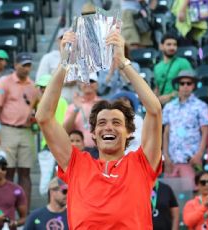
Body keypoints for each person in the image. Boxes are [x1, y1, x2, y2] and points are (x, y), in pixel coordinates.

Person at [36, 30, 162, 228]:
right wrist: (64, 64)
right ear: (92, 133)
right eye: (101, 123)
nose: (108, 127)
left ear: (130, 132)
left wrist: (123, 63)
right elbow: (43, 117)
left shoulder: (142, 163)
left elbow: (154, 110)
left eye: (117, 123)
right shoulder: (76, 163)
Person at [0, 52, 39, 209]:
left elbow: (38, 107)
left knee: (25, 172)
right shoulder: (5, 83)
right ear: (16, 65)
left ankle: (25, 213)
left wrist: (35, 119)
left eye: (29, 65)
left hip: (26, 131)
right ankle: (8, 210)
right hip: (7, 129)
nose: (26, 68)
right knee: (8, 171)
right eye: (23, 65)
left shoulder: (33, 86)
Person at [163, 70, 208, 184]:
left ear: (193, 85)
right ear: (178, 86)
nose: (185, 86)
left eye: (189, 83)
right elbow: (166, 133)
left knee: (190, 194)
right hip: (172, 161)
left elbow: (205, 132)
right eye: (182, 83)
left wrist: (199, 155)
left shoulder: (200, 106)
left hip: (191, 160)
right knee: (170, 196)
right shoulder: (169, 107)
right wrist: (166, 157)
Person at [35, 73, 68, 195]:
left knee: (53, 179)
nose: (43, 90)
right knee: (47, 182)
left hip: (56, 145)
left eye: (45, 87)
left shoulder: (61, 102)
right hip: (49, 145)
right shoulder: (41, 103)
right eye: (41, 88)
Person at [35, 27, 77, 104]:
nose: (66, 40)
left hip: (76, 103)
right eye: (62, 37)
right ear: (58, 40)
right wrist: (63, 81)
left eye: (69, 37)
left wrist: (77, 80)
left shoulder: (82, 57)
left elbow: (91, 82)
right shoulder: (48, 58)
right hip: (56, 103)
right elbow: (40, 82)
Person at [63, 73, 101, 155]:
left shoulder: (103, 104)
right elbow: (66, 130)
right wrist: (76, 109)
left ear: (97, 85)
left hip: (99, 150)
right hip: (79, 151)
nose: (88, 84)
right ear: (80, 85)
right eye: (85, 81)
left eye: (91, 81)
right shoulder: (72, 106)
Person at [154, 34, 193, 105]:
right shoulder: (157, 67)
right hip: (162, 107)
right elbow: (157, 87)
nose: (172, 47)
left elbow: (189, 85)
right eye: (169, 44)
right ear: (161, 46)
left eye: (175, 45)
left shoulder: (183, 62)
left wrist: (170, 96)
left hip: (180, 104)